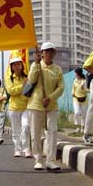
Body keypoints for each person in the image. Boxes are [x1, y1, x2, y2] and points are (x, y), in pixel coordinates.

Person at [27, 42, 64, 171]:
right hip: (36, 104)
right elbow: (31, 80)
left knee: (52, 132)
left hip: (51, 105)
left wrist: (50, 98)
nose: (49, 53)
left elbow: (61, 87)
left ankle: (50, 160)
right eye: (46, 51)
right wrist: (36, 64)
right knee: (35, 133)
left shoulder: (57, 69)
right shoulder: (36, 66)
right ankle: (38, 159)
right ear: (42, 53)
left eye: (51, 51)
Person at [4, 55, 31, 158]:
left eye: (18, 64)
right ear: (11, 67)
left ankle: (26, 149)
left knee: (26, 127)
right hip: (14, 107)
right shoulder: (9, 78)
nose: (17, 66)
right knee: (16, 130)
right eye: (14, 65)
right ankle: (17, 149)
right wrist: (22, 86)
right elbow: (11, 91)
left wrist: (24, 85)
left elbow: (30, 89)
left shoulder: (26, 77)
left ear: (22, 65)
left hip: (26, 106)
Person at [72, 68, 88, 132]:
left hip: (84, 99)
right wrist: (72, 93)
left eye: (75, 73)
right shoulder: (75, 80)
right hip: (76, 99)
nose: (75, 74)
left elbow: (86, 90)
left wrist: (83, 88)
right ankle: (77, 127)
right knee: (77, 112)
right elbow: (73, 88)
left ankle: (83, 128)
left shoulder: (84, 81)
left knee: (84, 114)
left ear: (78, 73)